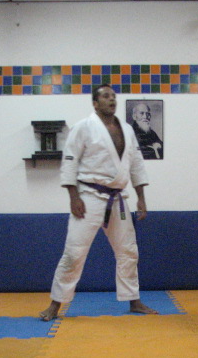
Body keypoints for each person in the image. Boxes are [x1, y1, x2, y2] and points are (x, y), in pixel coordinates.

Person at [39, 84, 158, 321]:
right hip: (89, 196)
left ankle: (133, 300)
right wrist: (73, 196)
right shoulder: (83, 127)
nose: (111, 99)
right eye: (105, 96)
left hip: (118, 198)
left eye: (113, 96)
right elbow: (70, 161)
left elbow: (136, 164)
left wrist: (141, 198)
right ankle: (55, 304)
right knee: (74, 252)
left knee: (128, 251)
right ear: (95, 103)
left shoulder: (127, 129)